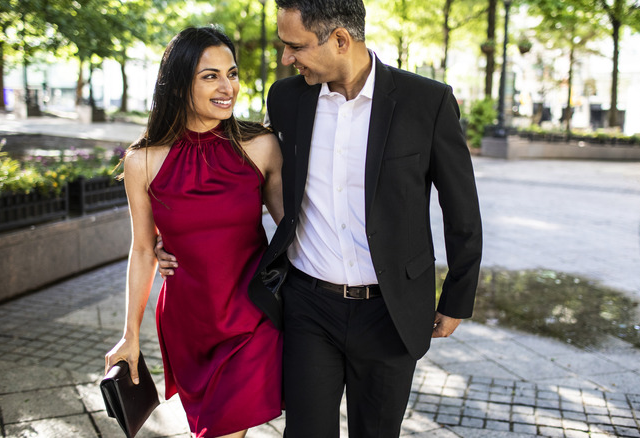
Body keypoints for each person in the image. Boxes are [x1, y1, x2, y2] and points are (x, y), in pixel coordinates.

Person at [159, 0, 482, 435]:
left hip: (392, 310)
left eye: (295, 47)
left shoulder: (427, 101)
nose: (286, 58)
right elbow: (239, 171)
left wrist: (457, 298)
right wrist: (177, 236)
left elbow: (462, 210)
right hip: (309, 306)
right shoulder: (288, 98)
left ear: (341, 40)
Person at [105, 26, 284, 438]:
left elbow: (297, 229)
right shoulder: (143, 161)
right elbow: (144, 250)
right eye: (211, 76)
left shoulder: (260, 146)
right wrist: (129, 335)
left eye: (232, 73)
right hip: (188, 323)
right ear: (180, 83)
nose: (228, 87)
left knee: (222, 431)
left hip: (251, 316)